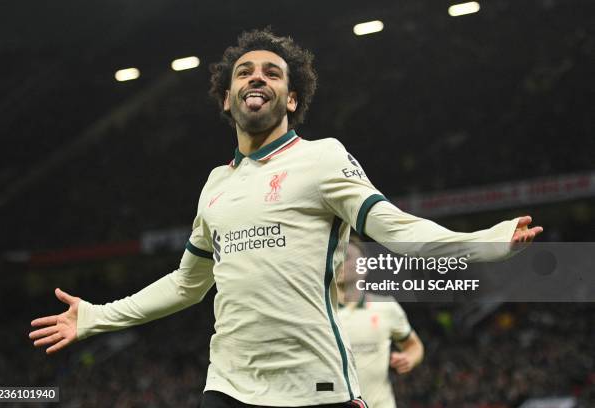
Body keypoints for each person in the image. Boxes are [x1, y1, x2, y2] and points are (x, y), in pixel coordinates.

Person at [29, 28, 542, 407]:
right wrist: (96, 315)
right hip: (227, 387)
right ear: (227, 100)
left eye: (273, 72)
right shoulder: (216, 184)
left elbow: (397, 229)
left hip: (315, 388)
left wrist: (486, 242)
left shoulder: (322, 158)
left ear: (291, 98)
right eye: (245, 72)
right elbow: (187, 285)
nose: (258, 77)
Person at [337, 237, 424, 408]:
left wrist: (409, 358)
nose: (339, 262)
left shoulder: (387, 307)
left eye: (346, 257)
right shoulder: (319, 312)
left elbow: (414, 346)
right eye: (335, 257)